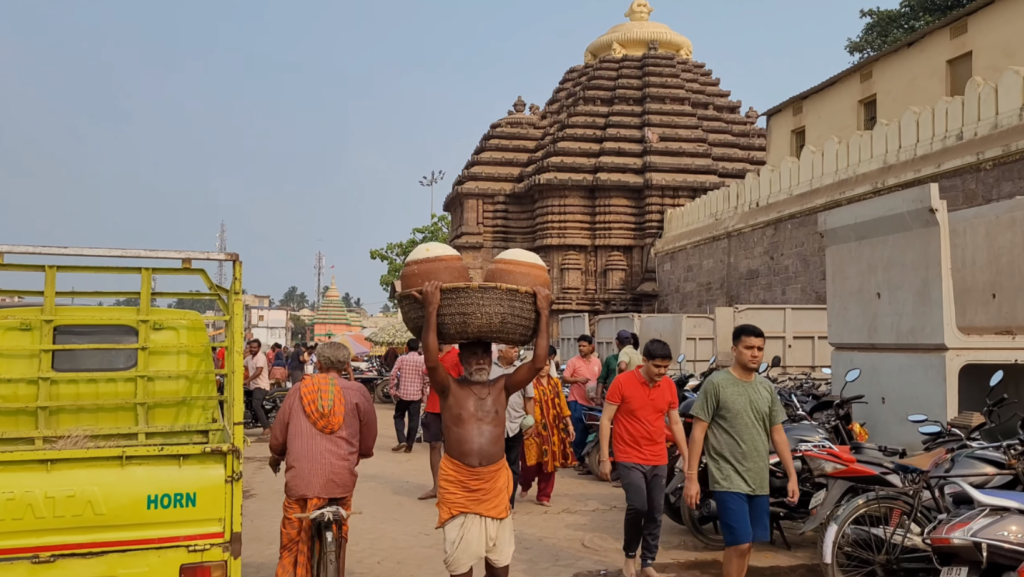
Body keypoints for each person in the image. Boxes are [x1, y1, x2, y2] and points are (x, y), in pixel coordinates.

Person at [415, 280, 551, 577]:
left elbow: (538, 361)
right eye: (472, 354)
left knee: (499, 567)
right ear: (460, 360)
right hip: (457, 484)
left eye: (484, 354)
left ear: (491, 358)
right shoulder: (449, 388)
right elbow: (430, 359)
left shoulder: (502, 386)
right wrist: (432, 309)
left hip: (494, 483)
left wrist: (543, 312)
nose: (479, 359)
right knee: (461, 567)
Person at [684, 325, 798, 577]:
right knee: (739, 542)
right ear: (735, 350)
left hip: (758, 478)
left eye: (759, 348)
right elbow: (698, 431)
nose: (755, 354)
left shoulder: (766, 388)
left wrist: (792, 475)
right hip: (727, 477)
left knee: (748, 545)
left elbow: (777, 433)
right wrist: (691, 478)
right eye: (749, 348)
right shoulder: (716, 384)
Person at [269, 341, 378, 577]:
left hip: (300, 483)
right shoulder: (357, 392)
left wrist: (276, 455)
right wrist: (363, 452)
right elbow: (369, 441)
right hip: (340, 482)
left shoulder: (298, 390)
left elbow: (278, 435)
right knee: (341, 532)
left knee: (291, 542)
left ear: (317, 363)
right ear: (347, 364)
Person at [599, 339, 689, 577]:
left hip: (658, 457)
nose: (662, 372)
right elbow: (606, 420)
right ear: (645, 361)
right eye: (657, 366)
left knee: (655, 511)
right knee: (638, 506)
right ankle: (630, 556)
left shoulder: (668, 386)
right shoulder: (622, 382)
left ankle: (647, 562)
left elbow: (675, 421)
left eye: (666, 367)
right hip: (628, 456)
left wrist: (687, 454)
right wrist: (605, 458)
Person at [519, 345, 575, 507]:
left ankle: (544, 495)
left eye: (546, 365)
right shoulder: (528, 383)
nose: (543, 368)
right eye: (540, 365)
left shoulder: (555, 383)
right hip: (533, 430)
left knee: (549, 464)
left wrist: (569, 425)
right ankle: (525, 483)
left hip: (553, 430)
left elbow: (563, 405)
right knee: (530, 463)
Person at [491, 344, 534, 510]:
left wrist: (531, 421)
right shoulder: (489, 369)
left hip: (515, 425)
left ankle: (509, 503)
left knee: (513, 466)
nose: (516, 352)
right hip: (493, 427)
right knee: (493, 466)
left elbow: (529, 399)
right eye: (511, 348)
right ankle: (494, 502)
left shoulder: (523, 371)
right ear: (501, 352)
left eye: (517, 349)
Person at [419, 344, 462, 501]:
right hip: (433, 406)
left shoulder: (457, 354)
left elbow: (463, 380)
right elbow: (427, 374)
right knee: (434, 445)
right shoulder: (432, 353)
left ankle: (453, 487)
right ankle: (436, 487)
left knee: (452, 448)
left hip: (452, 407)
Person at [562, 335, 602, 466]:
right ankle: (578, 459)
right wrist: (578, 380)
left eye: (584, 346)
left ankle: (587, 458)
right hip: (576, 402)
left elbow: (600, 380)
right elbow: (565, 378)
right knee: (578, 432)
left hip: (592, 403)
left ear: (591, 347)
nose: (581, 348)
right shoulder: (573, 362)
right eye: (579, 346)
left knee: (590, 432)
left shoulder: (597, 362)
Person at [389, 338, 429, 453]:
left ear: (407, 347)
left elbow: (393, 374)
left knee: (398, 416)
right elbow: (426, 378)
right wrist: (424, 393)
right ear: (418, 348)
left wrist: (392, 390)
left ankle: (402, 440)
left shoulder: (402, 359)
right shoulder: (423, 361)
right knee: (414, 420)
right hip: (416, 396)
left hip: (402, 395)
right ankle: (409, 445)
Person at [244, 339, 272, 438]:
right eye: (251, 347)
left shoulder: (260, 357)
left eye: (255, 347)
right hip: (253, 386)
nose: (252, 349)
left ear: (259, 348)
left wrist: (247, 380)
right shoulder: (250, 358)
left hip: (261, 386)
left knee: (256, 405)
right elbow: (241, 364)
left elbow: (258, 371)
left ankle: (267, 428)